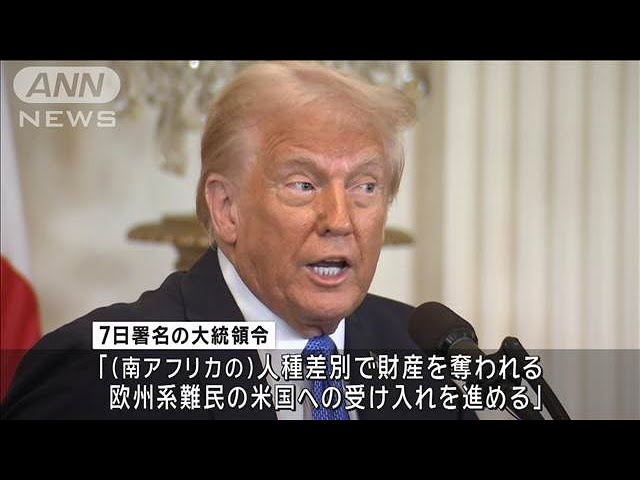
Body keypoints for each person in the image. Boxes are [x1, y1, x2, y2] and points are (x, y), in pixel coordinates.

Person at [1, 61, 476, 420]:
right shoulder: (95, 370)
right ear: (226, 208)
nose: (339, 219)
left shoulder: (426, 358)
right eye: (303, 185)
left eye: (365, 187)